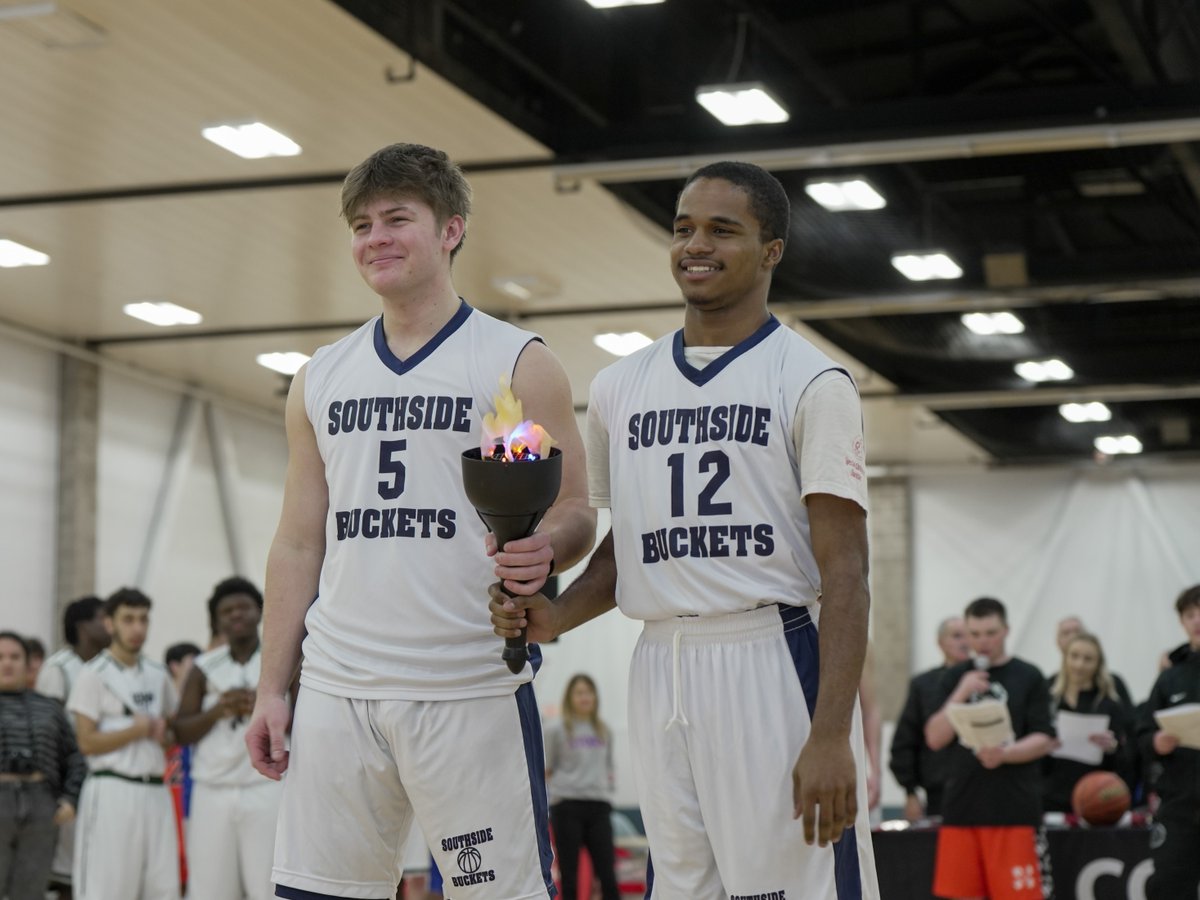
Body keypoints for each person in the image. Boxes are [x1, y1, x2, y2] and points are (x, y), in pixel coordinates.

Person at [492, 161, 879, 898]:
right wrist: (557, 615)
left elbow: (849, 576)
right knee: (683, 888)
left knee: (789, 886)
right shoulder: (618, 387)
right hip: (659, 661)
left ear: (772, 250)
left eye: (722, 230)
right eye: (683, 228)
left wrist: (832, 734)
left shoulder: (812, 382)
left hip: (769, 655)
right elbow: (627, 546)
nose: (695, 245)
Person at [244, 142, 595, 899]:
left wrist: (545, 550)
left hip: (468, 683)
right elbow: (299, 541)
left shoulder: (514, 362)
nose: (376, 239)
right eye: (362, 224)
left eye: (398, 218)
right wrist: (275, 685)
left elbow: (573, 511)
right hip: (339, 685)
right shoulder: (321, 376)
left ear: (451, 229)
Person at [924, 597, 1055, 900]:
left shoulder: (1029, 676)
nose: (983, 642)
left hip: (1014, 811)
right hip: (962, 809)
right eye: (975, 634)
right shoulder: (955, 678)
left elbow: (1044, 738)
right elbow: (934, 737)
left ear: (1006, 630)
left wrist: (1005, 754)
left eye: (991, 633)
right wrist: (961, 692)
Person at [174, 577, 282, 900]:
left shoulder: (281, 659)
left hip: (267, 788)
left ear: (259, 612)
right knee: (210, 889)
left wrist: (262, 708)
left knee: (269, 887)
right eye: (227, 610)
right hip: (212, 790)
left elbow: (303, 722)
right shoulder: (204, 668)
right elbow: (180, 730)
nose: (236, 615)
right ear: (216, 619)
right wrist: (217, 710)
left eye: (244, 607)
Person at [69, 588, 179, 900]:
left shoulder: (158, 675)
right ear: (109, 623)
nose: (137, 628)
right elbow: (86, 741)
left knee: (163, 888)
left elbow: (170, 738)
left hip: (156, 791)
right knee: (108, 888)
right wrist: (136, 729)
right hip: (111, 791)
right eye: (128, 619)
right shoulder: (93, 674)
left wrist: (163, 735)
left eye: (143, 620)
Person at [0, 631, 86, 900]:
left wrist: (70, 799)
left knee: (31, 889)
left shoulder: (49, 708)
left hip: (41, 803)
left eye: (15, 657)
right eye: (0, 657)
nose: (8, 663)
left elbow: (74, 757)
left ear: (29, 664)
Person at [36, 594, 111, 898]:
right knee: (69, 872)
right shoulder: (58, 668)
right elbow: (48, 734)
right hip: (72, 778)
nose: (110, 625)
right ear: (83, 625)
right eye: (103, 618)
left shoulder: (111, 667)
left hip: (107, 775)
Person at [1137, 584, 1200, 899]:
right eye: (1190, 614)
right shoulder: (1169, 678)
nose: (1197, 620)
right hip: (1180, 802)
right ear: (1182, 621)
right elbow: (1142, 734)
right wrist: (1155, 742)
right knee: (1169, 885)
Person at [544, 673, 619, 900]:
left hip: (598, 806)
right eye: (579, 692)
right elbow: (546, 769)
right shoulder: (556, 729)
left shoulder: (603, 729)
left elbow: (608, 768)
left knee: (607, 873)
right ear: (570, 697)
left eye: (589, 692)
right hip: (567, 806)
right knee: (570, 875)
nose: (585, 697)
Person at [889, 616, 970, 820]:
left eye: (970, 635)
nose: (965, 642)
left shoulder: (987, 680)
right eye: (957, 635)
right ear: (941, 642)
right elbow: (905, 742)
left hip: (984, 789)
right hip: (940, 793)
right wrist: (910, 792)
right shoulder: (924, 685)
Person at [1042, 632, 1130, 812]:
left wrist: (1111, 747)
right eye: (1074, 656)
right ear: (1065, 657)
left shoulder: (1109, 704)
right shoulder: (1048, 698)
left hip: (1093, 794)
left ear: (1098, 664)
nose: (1079, 665)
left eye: (1088, 659)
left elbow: (1126, 756)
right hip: (1049, 791)